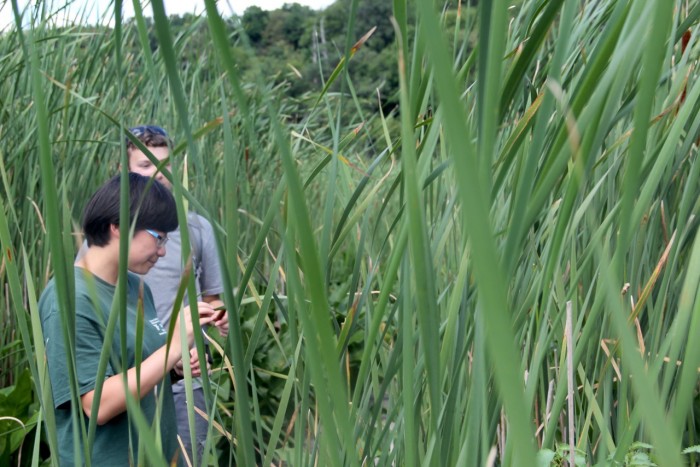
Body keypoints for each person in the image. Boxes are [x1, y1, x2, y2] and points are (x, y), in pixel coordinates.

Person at [40, 173, 216, 465]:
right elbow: (98, 404)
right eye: (158, 238)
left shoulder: (135, 287)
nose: (162, 251)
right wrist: (172, 347)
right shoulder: (69, 300)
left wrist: (175, 367)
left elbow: (136, 365)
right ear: (119, 227)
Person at [122, 124, 228, 461]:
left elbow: (214, 300)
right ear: (127, 171)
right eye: (145, 165)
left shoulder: (197, 228)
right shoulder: (111, 230)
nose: (157, 174)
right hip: (126, 382)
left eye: (164, 165)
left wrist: (219, 322)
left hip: (186, 384)